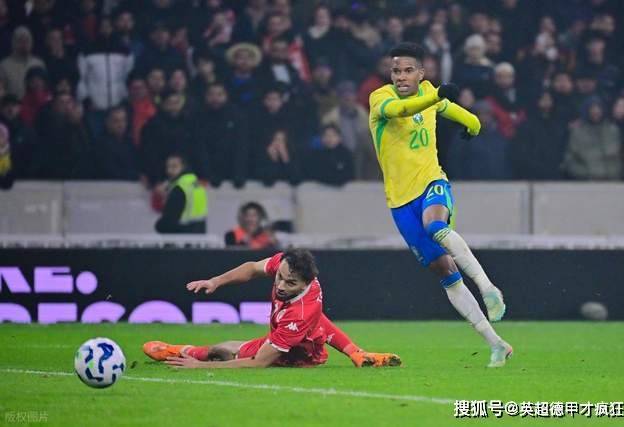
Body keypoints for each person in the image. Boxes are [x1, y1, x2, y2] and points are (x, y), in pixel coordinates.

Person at [368, 43, 511, 368]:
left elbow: (458, 113)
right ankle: (497, 344)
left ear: (421, 73)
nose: (401, 76)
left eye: (408, 70)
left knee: (435, 225)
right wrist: (436, 98)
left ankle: (488, 288)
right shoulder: (380, 98)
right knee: (445, 271)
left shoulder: (431, 95)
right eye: (396, 71)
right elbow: (402, 110)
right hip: (399, 202)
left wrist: (473, 125)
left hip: (432, 182)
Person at [143, 249, 401, 368]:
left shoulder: (299, 314)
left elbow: (259, 362)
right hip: (300, 333)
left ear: (306, 283)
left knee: (223, 351)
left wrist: (199, 368)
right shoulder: (288, 265)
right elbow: (251, 268)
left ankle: (176, 352)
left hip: (298, 355)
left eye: (290, 283)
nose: (281, 285)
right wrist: (216, 281)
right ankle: (358, 354)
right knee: (230, 346)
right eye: (280, 277)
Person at [154, 153, 208, 234]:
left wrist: (158, 226)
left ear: (184, 167)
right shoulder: (195, 183)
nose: (169, 170)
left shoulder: (179, 188)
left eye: (174, 166)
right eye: (168, 167)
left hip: (182, 237)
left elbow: (167, 223)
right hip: (199, 236)